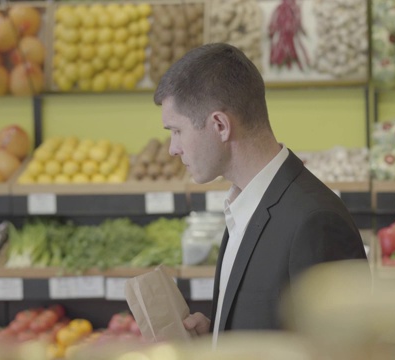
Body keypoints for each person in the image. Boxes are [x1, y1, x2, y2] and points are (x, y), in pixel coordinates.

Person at [153, 43, 368, 344]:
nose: (173, 149)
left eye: (176, 131)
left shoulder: (316, 221)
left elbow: (344, 351)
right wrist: (218, 339)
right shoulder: (244, 205)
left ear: (220, 125)